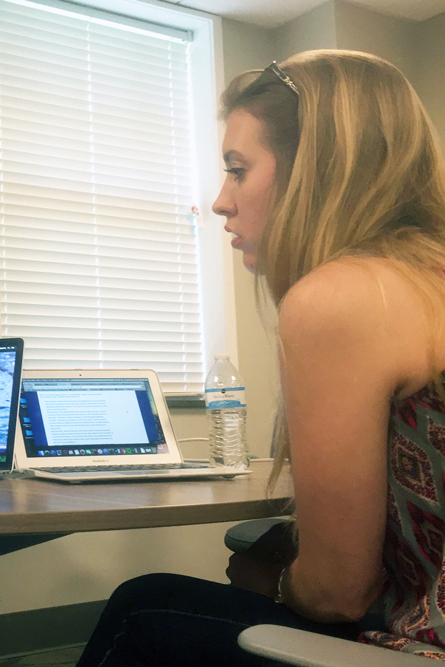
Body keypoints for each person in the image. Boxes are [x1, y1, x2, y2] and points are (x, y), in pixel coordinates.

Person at [75, 50, 445, 666]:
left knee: (143, 606)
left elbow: (337, 594)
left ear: (316, 173)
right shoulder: (427, 276)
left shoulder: (346, 294)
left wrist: (271, 579)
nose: (220, 201)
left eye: (238, 170)